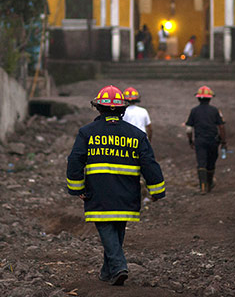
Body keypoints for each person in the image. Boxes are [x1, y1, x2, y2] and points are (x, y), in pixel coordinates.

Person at [66, 85, 166, 286]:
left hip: (98, 191)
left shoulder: (87, 132)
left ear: (99, 108)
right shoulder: (137, 135)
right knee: (118, 227)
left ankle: (119, 266)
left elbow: (75, 160)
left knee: (106, 227)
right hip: (127, 191)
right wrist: (156, 190)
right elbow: (149, 164)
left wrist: (77, 188)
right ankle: (107, 272)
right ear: (122, 109)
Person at [185, 85, 227, 194]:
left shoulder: (194, 111)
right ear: (210, 98)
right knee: (211, 163)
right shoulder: (215, 110)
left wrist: (190, 141)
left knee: (201, 163)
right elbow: (221, 127)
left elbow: (189, 129)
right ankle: (209, 184)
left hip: (200, 141)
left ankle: (202, 187)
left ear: (198, 98)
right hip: (213, 141)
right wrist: (224, 142)